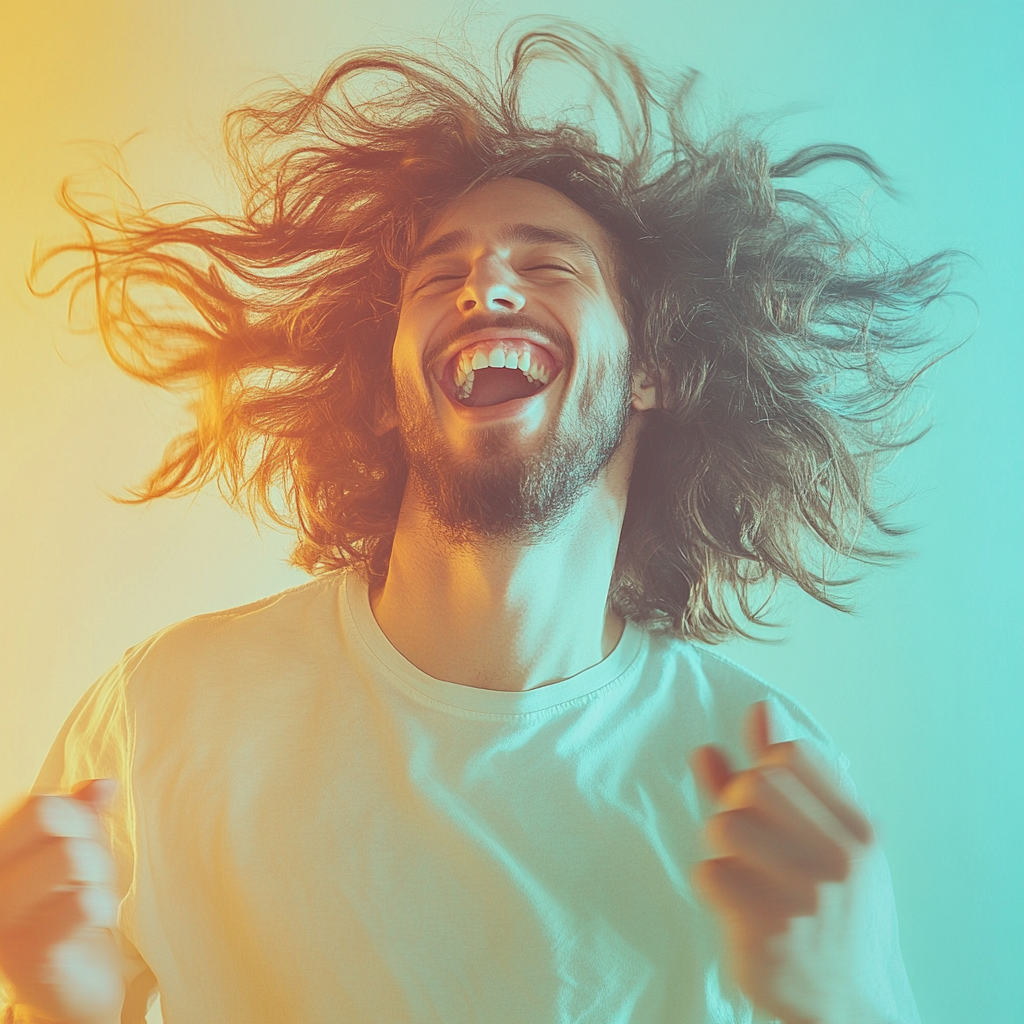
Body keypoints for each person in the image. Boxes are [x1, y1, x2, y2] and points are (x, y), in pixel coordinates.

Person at [0, 22, 953, 1024]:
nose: (484, 286)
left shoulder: (762, 779)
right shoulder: (160, 715)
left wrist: (848, 995)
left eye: (547, 267)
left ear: (651, 372)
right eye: (437, 276)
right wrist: (59, 1008)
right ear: (389, 385)